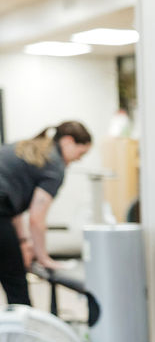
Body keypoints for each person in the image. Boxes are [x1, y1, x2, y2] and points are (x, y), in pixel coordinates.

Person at [0, 121, 92, 305]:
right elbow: (36, 218)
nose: (79, 159)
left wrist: (24, 242)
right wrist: (44, 258)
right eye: (80, 153)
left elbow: (13, 207)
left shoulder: (27, 148)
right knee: (16, 285)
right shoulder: (54, 165)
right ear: (67, 141)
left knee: (12, 273)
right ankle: (24, 331)